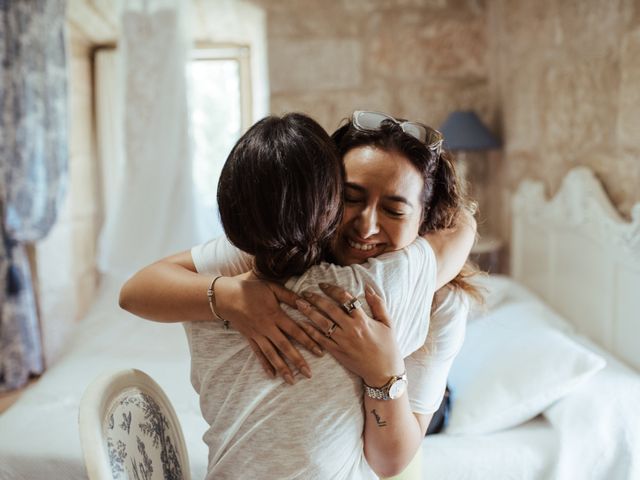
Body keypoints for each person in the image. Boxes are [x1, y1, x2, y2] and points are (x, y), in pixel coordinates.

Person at [120, 111, 477, 479]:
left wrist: (384, 373)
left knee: (439, 413)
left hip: (396, 419)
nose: (367, 226)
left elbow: (390, 462)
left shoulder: (442, 302)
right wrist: (229, 295)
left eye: (394, 210)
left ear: (424, 220)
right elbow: (138, 290)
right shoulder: (275, 251)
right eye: (351, 199)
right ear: (324, 197)